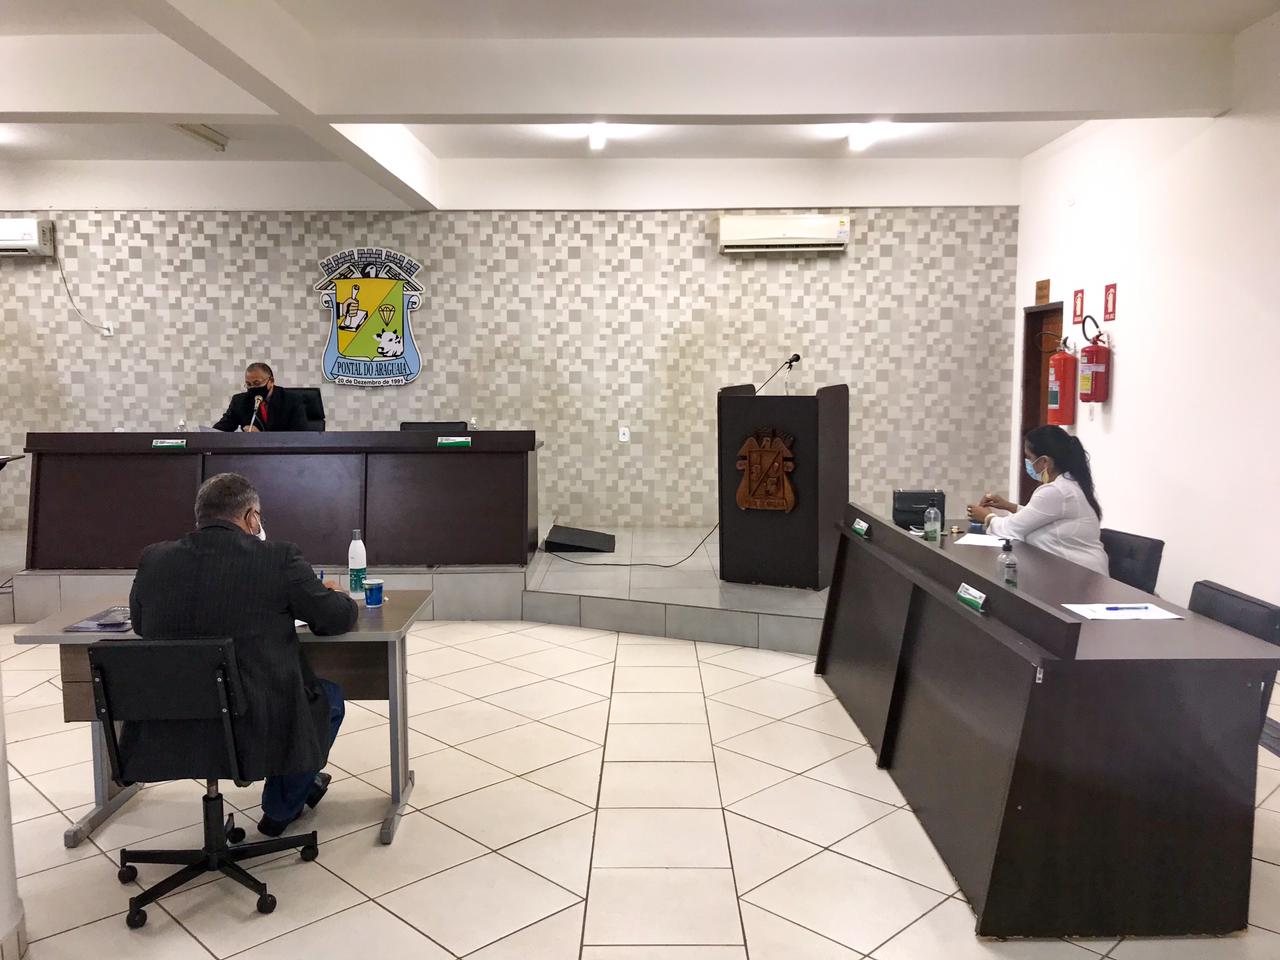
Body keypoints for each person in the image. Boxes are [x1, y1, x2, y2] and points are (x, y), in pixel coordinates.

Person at [126, 472, 358, 837]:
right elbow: (333, 619)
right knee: (327, 699)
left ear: (200, 515)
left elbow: (141, 625)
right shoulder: (278, 558)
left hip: (171, 718)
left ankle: (297, 791)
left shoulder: (154, 559)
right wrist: (338, 596)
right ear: (252, 518)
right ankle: (281, 809)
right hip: (258, 719)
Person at [966, 425, 1110, 577]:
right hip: (1072, 571)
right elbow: (1041, 516)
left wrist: (987, 517)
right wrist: (1009, 506)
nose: (1027, 463)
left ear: (1045, 462)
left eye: (1029, 458)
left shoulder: (1056, 491)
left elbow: (1010, 529)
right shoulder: (1069, 485)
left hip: (1079, 574)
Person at [213, 362, 308, 432]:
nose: (252, 388)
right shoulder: (239, 401)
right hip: (251, 452)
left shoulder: (292, 400)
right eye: (249, 384)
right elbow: (220, 430)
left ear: (271, 381)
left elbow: (300, 437)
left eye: (257, 383)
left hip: (284, 452)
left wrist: (261, 437)